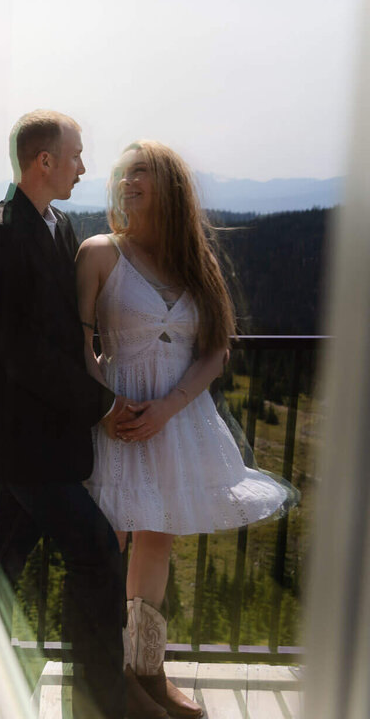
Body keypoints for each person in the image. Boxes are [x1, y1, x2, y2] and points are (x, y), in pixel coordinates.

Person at [77, 140, 293, 718]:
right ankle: (108, 681)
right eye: (123, 173)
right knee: (109, 546)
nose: (128, 181)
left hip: (177, 421)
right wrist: (104, 405)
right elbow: (75, 346)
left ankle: (147, 675)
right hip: (117, 420)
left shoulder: (198, 260)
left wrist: (169, 407)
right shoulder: (100, 253)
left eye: (141, 172)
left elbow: (217, 350)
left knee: (156, 543)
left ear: (169, 184)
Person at [0, 110, 133, 719]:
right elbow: (20, 354)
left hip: (48, 441)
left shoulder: (58, 225)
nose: (83, 167)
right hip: (24, 443)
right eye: (75, 156)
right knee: (95, 554)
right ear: (44, 161)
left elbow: (65, 334)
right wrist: (103, 404)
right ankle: (96, 707)